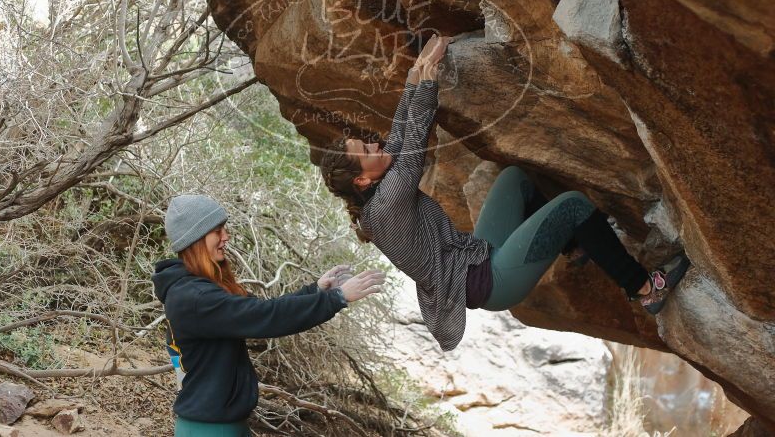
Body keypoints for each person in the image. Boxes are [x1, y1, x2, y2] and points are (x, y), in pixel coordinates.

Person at [320, 34, 690, 351]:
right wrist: (427, 78)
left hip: (476, 256)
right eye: (365, 152)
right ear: (361, 182)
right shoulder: (385, 206)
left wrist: (416, 72)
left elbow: (399, 134)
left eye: (366, 144)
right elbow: (413, 138)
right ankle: (645, 289)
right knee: (574, 206)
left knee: (515, 179)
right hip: (491, 282)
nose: (374, 145)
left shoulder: (380, 188)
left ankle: (576, 246)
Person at [152, 194, 385, 436]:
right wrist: (336, 299)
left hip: (218, 425)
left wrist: (316, 290)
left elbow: (261, 309)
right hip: (211, 429)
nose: (226, 237)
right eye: (218, 230)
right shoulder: (195, 298)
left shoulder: (193, 291)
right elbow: (266, 316)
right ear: (196, 238)